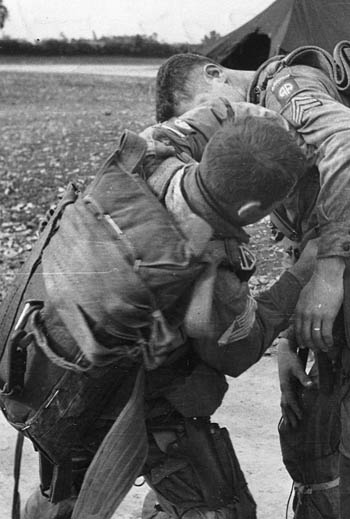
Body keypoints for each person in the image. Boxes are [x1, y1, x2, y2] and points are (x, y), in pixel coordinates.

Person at [151, 47, 350, 519]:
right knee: (331, 453)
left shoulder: (288, 89)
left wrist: (327, 272)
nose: (213, 127)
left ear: (214, 74)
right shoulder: (268, 124)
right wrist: (289, 339)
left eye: (202, 109)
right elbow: (304, 225)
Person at [21, 112, 315, 519]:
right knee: (221, 510)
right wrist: (302, 276)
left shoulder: (150, 157)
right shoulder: (217, 274)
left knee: (62, 496)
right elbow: (237, 352)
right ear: (250, 209)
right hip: (121, 403)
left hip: (44, 362)